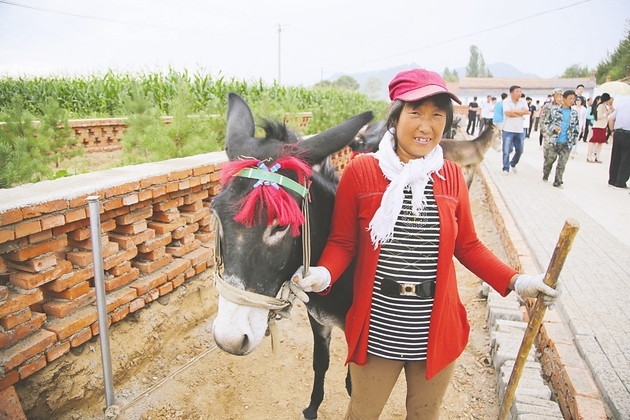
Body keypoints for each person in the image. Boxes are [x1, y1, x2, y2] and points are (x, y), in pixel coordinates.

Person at [291, 68, 560, 420]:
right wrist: (324, 274)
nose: (426, 125)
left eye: (437, 115)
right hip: (379, 323)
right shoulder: (362, 171)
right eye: (415, 113)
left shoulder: (449, 176)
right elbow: (344, 241)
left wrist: (518, 281)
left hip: (435, 323)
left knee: (425, 413)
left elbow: (468, 246)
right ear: (396, 116)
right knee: (362, 412)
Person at [542, 90, 580, 188]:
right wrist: (553, 128)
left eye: (573, 99)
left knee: (562, 163)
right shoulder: (554, 111)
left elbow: (576, 127)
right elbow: (546, 123)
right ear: (564, 99)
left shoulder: (574, 113)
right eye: (570, 98)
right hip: (554, 141)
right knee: (550, 161)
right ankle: (546, 174)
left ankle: (557, 181)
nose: (572, 101)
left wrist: (574, 140)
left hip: (567, 142)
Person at [501, 85, 530, 174]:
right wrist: (520, 113)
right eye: (517, 91)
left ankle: (513, 163)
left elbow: (527, 112)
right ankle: (506, 168)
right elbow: (508, 113)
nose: (519, 93)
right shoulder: (506, 101)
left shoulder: (523, 101)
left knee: (520, 150)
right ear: (511, 93)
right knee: (506, 150)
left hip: (519, 129)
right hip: (508, 129)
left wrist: (514, 112)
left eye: (520, 91)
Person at [607, 98, 630, 190]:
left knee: (615, 156)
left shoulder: (622, 105)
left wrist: (612, 130)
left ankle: (612, 180)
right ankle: (620, 182)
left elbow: (611, 118)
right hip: (628, 134)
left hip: (618, 133)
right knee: (626, 158)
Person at [587, 93, 614, 163]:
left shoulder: (604, 106)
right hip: (598, 126)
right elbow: (599, 116)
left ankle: (597, 156)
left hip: (602, 126)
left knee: (600, 142)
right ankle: (589, 155)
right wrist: (608, 112)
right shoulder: (601, 106)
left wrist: (610, 110)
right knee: (593, 141)